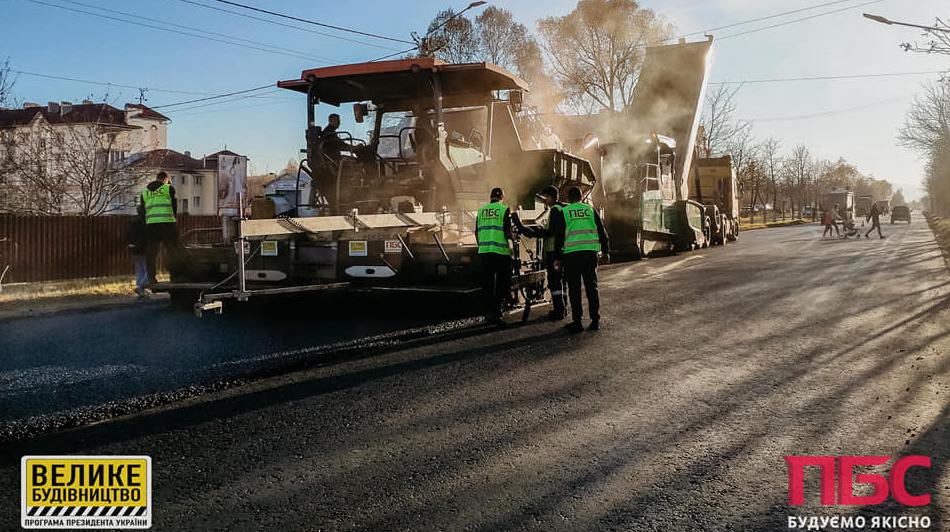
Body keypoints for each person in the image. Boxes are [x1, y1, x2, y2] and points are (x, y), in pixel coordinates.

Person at [555, 187, 610, 332]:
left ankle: (577, 322)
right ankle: (595, 320)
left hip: (571, 255)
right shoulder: (590, 210)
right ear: (581, 196)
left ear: (568, 198)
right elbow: (602, 231)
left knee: (574, 289)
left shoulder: (564, 212)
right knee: (592, 287)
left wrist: (557, 258)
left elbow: (559, 237)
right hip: (589, 254)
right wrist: (605, 252)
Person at [512, 185, 567, 320]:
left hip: (554, 252)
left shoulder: (555, 210)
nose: (545, 200)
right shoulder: (562, 209)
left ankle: (559, 311)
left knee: (555, 283)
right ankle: (563, 308)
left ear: (551, 197)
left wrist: (524, 229)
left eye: (546, 197)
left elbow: (549, 232)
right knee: (561, 282)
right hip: (560, 251)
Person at [476, 187, 513, 326]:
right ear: (502, 197)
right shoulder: (504, 209)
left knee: (488, 283)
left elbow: (476, 231)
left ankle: (488, 312)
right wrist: (513, 239)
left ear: (490, 197)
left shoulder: (481, 211)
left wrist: (482, 245)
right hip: (500, 252)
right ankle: (496, 312)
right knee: (503, 283)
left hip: (484, 251)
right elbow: (507, 231)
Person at [138, 171, 180, 284]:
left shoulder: (145, 192)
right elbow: (174, 206)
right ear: (165, 179)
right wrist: (174, 220)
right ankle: (175, 277)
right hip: (167, 224)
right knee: (172, 252)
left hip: (151, 225)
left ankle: (151, 279)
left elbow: (142, 211)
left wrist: (146, 222)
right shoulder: (168, 189)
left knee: (151, 254)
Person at [126, 212, 148, 297]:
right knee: (148, 270)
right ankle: (141, 286)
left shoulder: (133, 221)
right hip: (144, 248)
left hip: (134, 248)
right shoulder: (146, 222)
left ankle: (140, 287)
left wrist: (130, 244)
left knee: (139, 269)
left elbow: (128, 234)